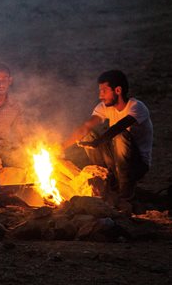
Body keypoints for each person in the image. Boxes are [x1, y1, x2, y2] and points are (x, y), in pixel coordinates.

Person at [62, 70, 153, 200]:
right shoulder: (104, 107)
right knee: (88, 135)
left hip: (136, 165)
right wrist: (61, 146)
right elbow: (86, 126)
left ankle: (125, 193)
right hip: (114, 160)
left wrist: (98, 142)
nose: (100, 96)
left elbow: (119, 127)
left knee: (120, 135)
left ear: (118, 90)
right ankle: (107, 181)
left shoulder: (137, 107)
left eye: (104, 91)